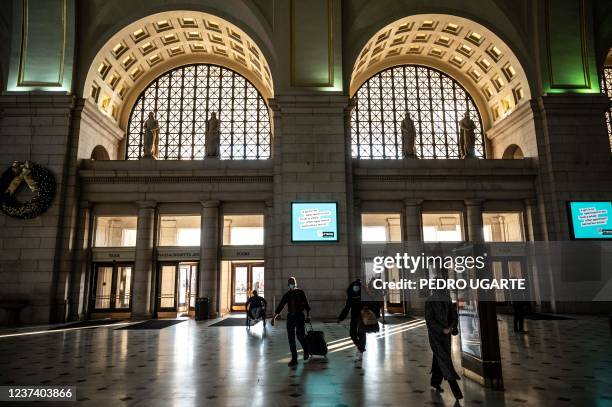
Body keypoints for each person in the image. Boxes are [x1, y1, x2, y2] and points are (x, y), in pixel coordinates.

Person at [425, 288, 463, 401]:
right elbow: (429, 320)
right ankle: (456, 391)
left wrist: (452, 326)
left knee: (440, 358)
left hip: (446, 336)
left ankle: (435, 381)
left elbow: (454, 315)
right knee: (445, 359)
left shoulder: (447, 299)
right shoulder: (430, 301)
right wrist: (442, 329)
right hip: (436, 336)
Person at [272, 277, 311, 366]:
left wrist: (308, 316)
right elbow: (280, 306)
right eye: (290, 282)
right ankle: (294, 358)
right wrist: (273, 318)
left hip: (299, 316)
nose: (291, 284)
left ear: (295, 283)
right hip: (291, 317)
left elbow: (306, 305)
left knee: (300, 335)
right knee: (291, 338)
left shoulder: (301, 292)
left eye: (293, 282)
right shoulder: (287, 295)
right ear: (288, 285)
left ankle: (306, 350)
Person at [338, 279, 366, 365]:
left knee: (361, 334)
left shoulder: (364, 296)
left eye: (357, 287)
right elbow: (346, 308)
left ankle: (361, 350)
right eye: (355, 287)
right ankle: (360, 348)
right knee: (352, 333)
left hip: (363, 318)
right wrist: (341, 318)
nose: (356, 288)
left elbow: (370, 305)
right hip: (354, 318)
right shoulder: (351, 296)